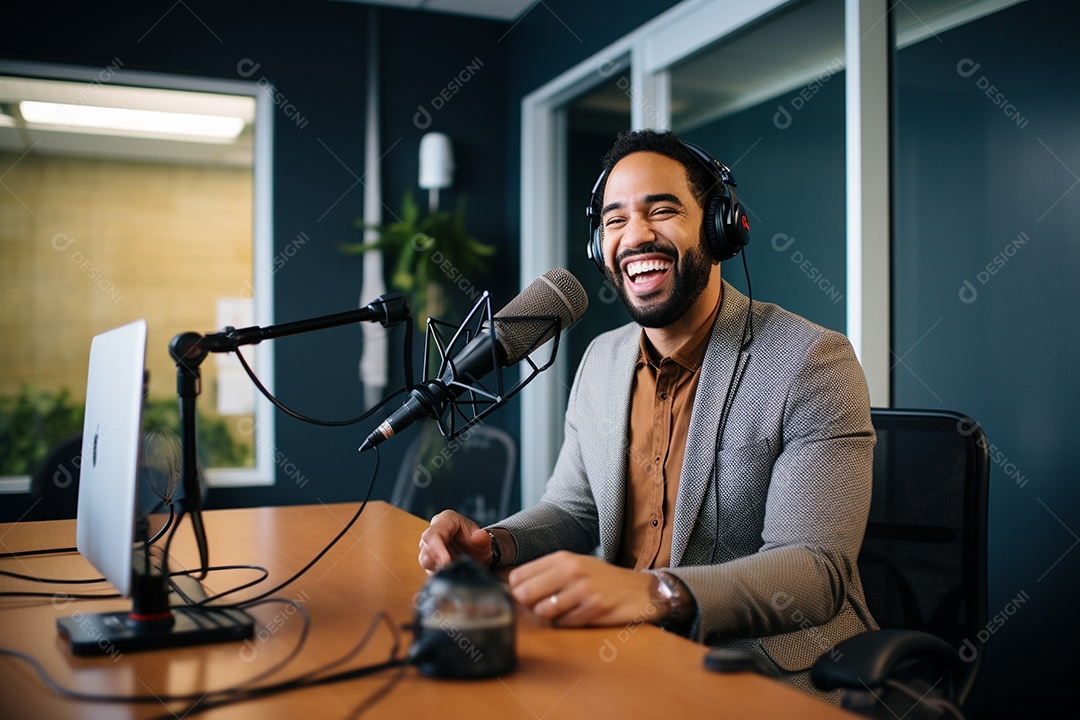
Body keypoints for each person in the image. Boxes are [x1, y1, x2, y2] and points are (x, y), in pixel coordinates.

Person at [418, 128, 877, 700]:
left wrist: (655, 594)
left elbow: (814, 570)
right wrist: (494, 544)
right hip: (621, 654)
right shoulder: (602, 359)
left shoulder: (810, 361)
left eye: (661, 210)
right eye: (614, 220)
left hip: (767, 672)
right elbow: (573, 509)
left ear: (719, 226)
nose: (635, 236)